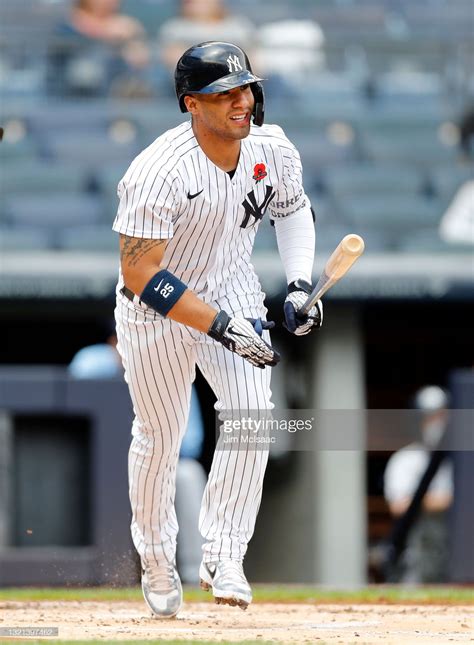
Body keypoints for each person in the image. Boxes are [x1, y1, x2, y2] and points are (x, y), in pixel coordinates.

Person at [112, 41, 322, 618]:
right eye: (222, 93)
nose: (240, 102)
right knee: (162, 435)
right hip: (155, 308)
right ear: (190, 103)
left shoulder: (272, 147)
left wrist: (300, 285)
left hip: (231, 283)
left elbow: (293, 209)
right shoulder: (156, 170)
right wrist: (221, 327)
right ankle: (157, 558)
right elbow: (139, 271)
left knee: (253, 413)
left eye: (245, 88)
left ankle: (224, 555)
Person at [68, 327, 207, 584]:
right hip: (106, 463)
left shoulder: (176, 373)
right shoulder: (101, 361)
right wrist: (124, 359)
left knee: (189, 474)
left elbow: (192, 442)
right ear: (114, 341)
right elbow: (79, 372)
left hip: (159, 463)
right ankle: (88, 575)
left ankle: (195, 573)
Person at [383, 386, 453, 583]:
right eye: (430, 417)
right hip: (418, 546)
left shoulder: (462, 461)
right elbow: (399, 506)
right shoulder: (406, 459)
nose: (438, 423)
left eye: (442, 416)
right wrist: (445, 502)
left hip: (455, 545)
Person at [49, 0, 152, 97]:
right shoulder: (64, 30)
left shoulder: (126, 28)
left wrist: (133, 40)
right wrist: (105, 32)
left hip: (114, 104)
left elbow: (140, 65)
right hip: (73, 101)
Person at [158, 0, 255, 73]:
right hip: (192, 81)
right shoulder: (175, 28)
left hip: (233, 78)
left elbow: (252, 59)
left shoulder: (238, 26)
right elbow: (174, 59)